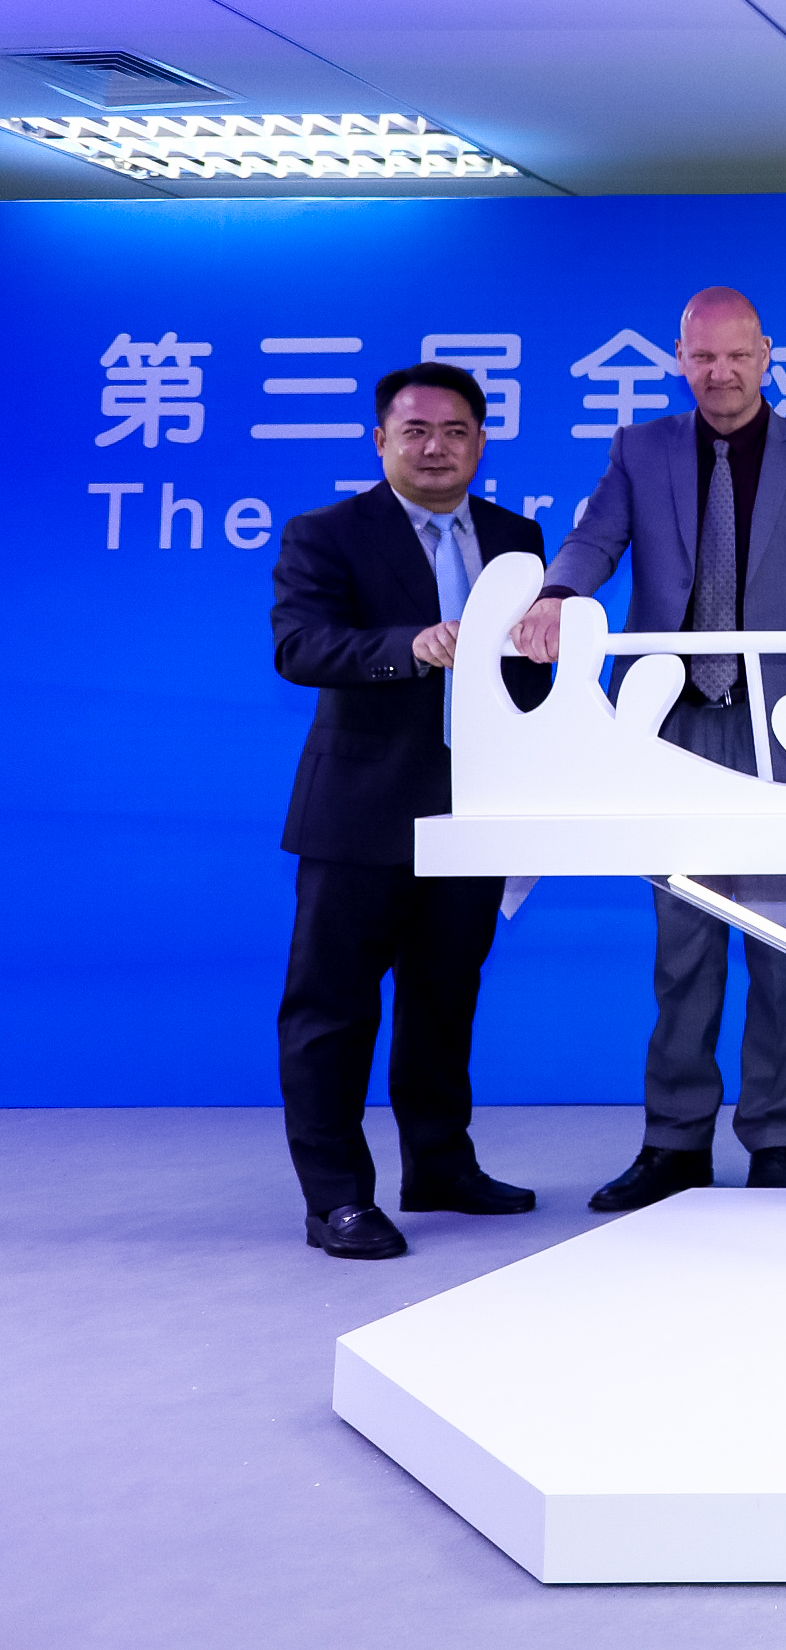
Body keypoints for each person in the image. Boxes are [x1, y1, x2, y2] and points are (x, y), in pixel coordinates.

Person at [511, 287, 786, 1211]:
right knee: (683, 949)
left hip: (784, 731)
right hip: (670, 727)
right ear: (680, 359)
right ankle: (674, 1141)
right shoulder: (642, 449)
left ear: (767, 356)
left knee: (785, 950)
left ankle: (773, 1137)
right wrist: (557, 593)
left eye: (737, 356)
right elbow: (595, 538)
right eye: (703, 357)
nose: (720, 373)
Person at [271, 363, 551, 1259]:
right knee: (332, 1010)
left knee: (444, 998)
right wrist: (412, 646)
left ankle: (439, 1165)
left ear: (482, 441)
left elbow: (524, 674)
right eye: (416, 431)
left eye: (456, 431)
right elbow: (300, 645)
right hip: (360, 811)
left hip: (473, 810)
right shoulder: (326, 533)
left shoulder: (515, 537)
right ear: (381, 440)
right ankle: (336, 1199)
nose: (437, 447)